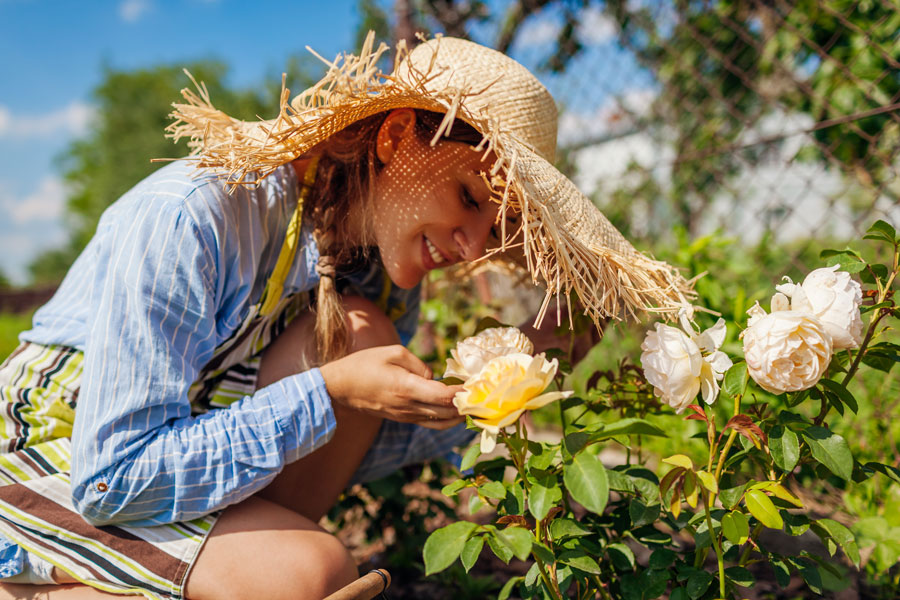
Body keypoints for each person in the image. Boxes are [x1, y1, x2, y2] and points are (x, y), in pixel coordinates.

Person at [0, 34, 690, 600]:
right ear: (395, 138)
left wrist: (498, 393)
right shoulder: (195, 214)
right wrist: (329, 391)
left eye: (499, 223)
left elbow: (338, 448)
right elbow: (112, 477)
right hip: (58, 445)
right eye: (469, 198)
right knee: (311, 573)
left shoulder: (371, 268)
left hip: (157, 460)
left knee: (356, 341)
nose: (474, 248)